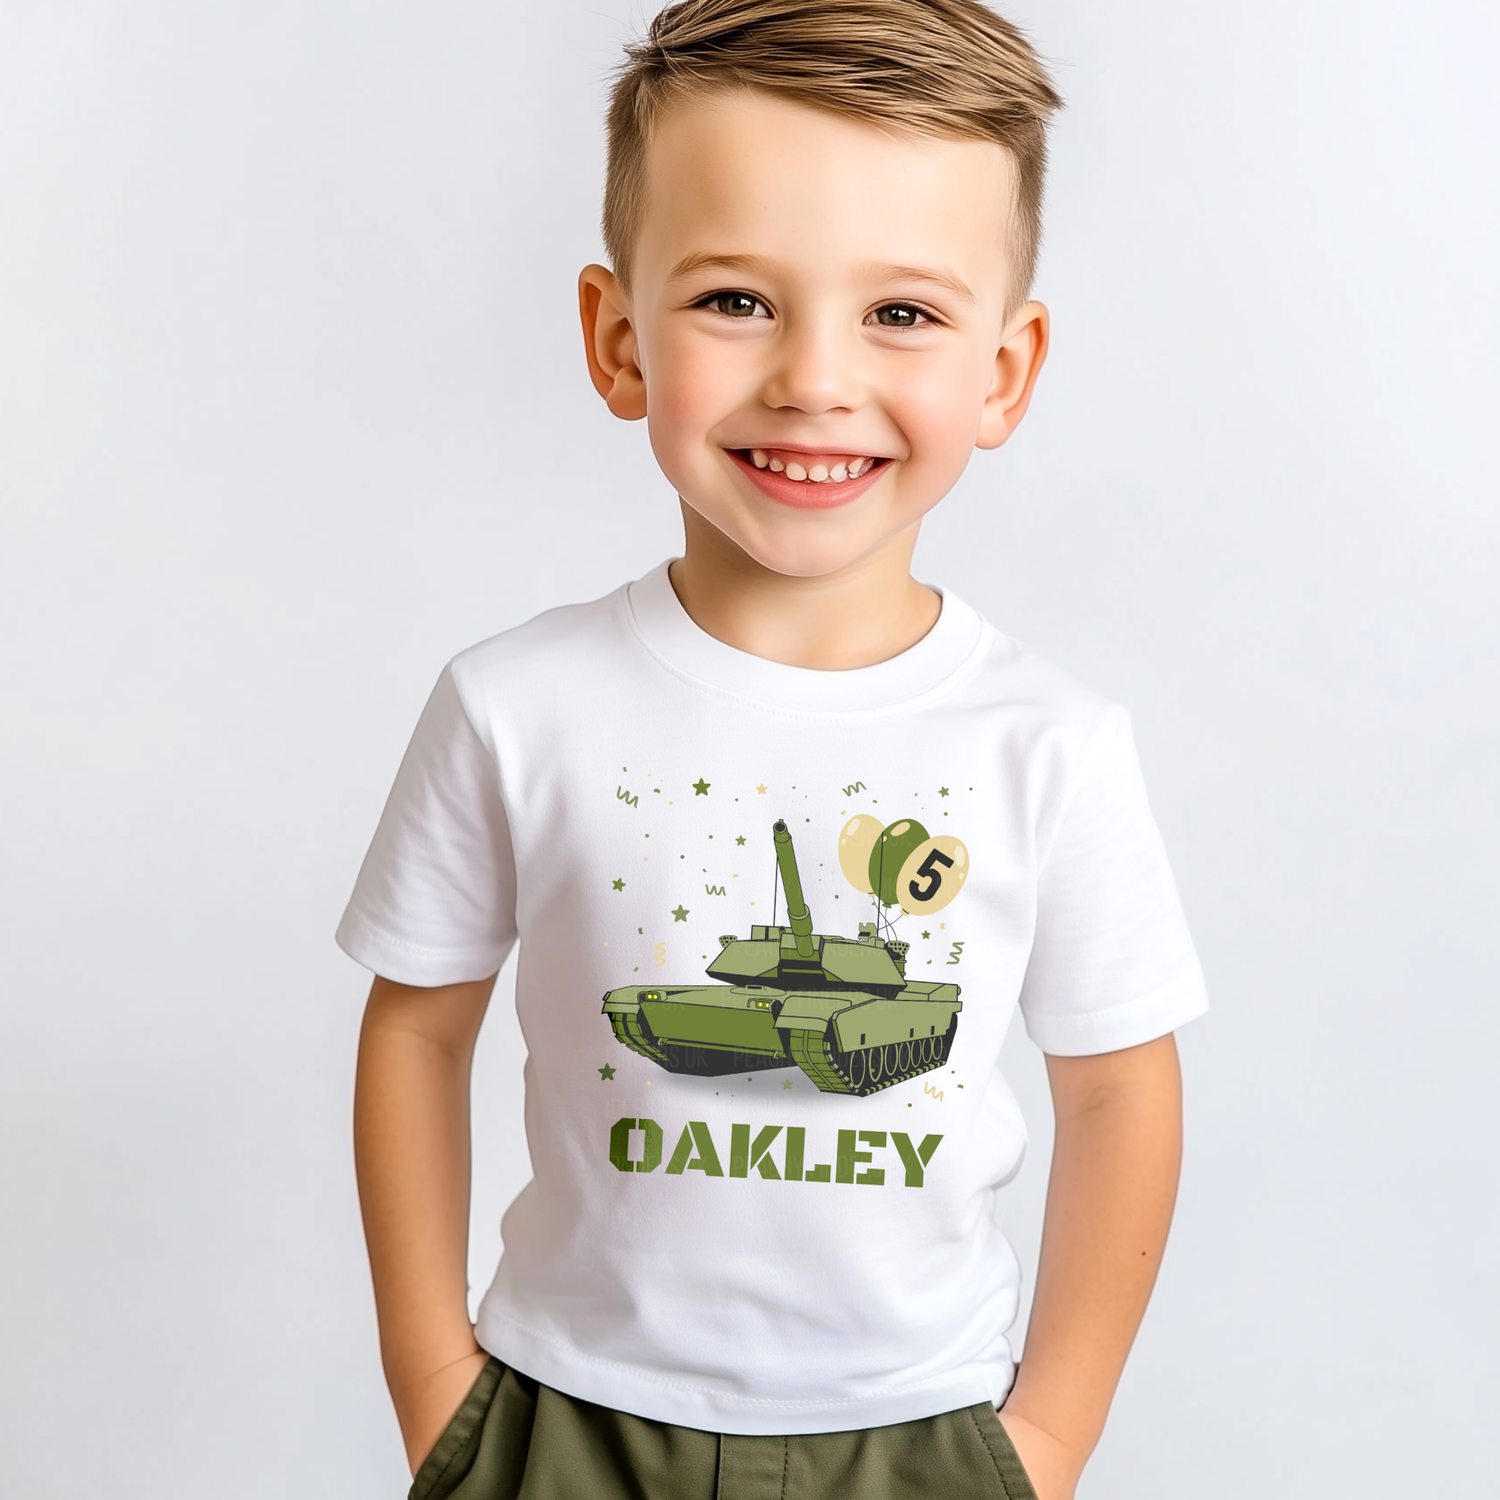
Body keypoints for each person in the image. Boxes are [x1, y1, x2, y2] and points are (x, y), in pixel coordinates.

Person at [339, 3, 1208, 1497]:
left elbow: (1122, 1087)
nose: (814, 376)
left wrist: (1047, 1442)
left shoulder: (1049, 742)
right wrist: (437, 1387)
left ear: (1005, 371)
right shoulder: (516, 703)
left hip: (921, 1429)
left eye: (904, 313)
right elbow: (416, 1029)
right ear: (620, 339)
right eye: (737, 299)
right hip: (566, 1415)